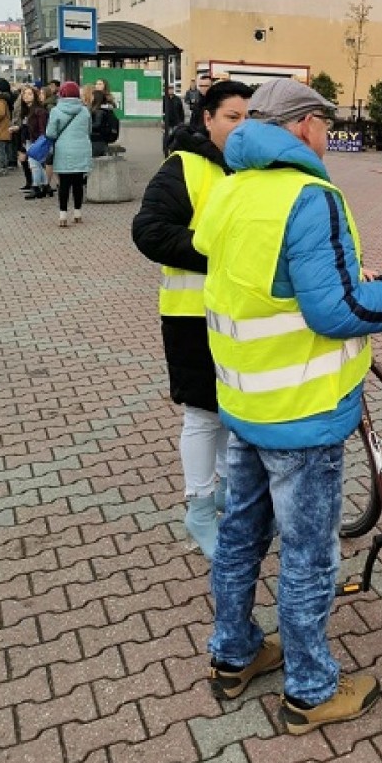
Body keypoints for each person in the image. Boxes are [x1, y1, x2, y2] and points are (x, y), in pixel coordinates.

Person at [192, 78, 382, 733]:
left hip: (245, 404)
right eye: (323, 123)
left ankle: (233, 655)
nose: (327, 134)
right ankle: (311, 690)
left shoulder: (233, 191)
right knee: (308, 554)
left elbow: (276, 287)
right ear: (301, 127)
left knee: (240, 536)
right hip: (303, 412)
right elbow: (335, 310)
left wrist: (359, 278)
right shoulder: (310, 195)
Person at [132, 80, 253, 558]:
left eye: (250, 119)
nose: (241, 127)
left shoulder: (244, 170)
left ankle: (223, 492)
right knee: (203, 415)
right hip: (190, 315)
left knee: (229, 410)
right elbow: (149, 231)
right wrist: (217, 255)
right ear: (207, 119)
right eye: (232, 117)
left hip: (236, 314)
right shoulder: (184, 166)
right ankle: (199, 508)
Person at [46, 81, 92, 227]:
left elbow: (50, 133)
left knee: (64, 184)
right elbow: (88, 131)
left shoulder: (56, 111)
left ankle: (63, 216)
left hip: (63, 150)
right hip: (81, 149)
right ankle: (77, 213)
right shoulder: (85, 111)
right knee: (78, 183)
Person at [17, 86, 50, 199]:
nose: (26, 96)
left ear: (35, 96)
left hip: (36, 141)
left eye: (29, 94)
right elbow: (25, 128)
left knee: (34, 165)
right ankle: (45, 186)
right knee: (37, 165)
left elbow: (42, 128)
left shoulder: (39, 111)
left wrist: (40, 142)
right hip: (28, 141)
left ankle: (36, 187)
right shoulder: (26, 111)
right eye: (24, 94)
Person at [162, 85, 185, 155]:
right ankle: (165, 149)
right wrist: (162, 120)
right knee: (166, 136)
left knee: (175, 136)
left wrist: (181, 121)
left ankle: (174, 149)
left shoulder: (177, 99)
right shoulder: (164, 99)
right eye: (169, 89)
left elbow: (181, 111)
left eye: (171, 89)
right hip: (167, 122)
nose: (170, 91)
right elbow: (162, 110)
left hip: (176, 121)